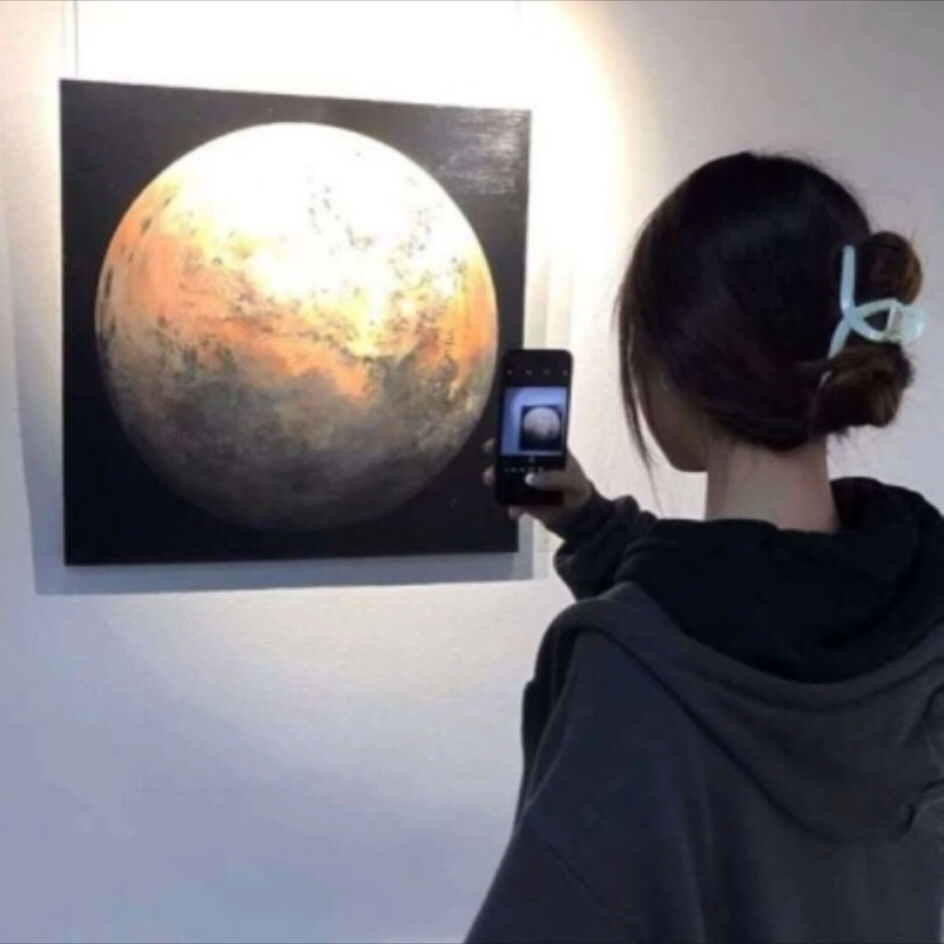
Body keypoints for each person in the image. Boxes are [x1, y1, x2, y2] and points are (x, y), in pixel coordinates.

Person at [466, 151, 944, 944]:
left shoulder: (626, 673)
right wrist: (593, 529)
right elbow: (765, 603)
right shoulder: (921, 607)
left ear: (676, 363)